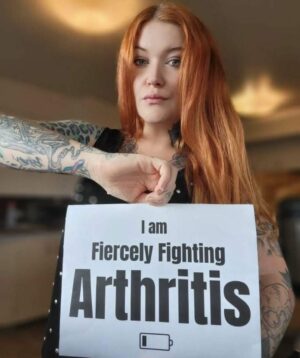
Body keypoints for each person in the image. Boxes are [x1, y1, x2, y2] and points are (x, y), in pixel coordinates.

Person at [0, 1, 295, 357]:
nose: (153, 77)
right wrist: (92, 163)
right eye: (140, 60)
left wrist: (248, 348)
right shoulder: (95, 141)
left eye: (175, 61)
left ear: (199, 73)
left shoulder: (220, 168)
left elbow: (274, 283)